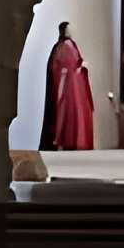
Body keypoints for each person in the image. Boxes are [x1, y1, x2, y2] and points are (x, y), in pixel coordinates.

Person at [39, 21, 96, 152]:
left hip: (73, 88)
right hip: (69, 90)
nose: (71, 32)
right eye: (69, 29)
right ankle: (69, 141)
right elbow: (68, 66)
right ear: (64, 31)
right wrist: (80, 68)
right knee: (68, 116)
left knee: (75, 115)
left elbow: (74, 64)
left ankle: (73, 141)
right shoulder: (65, 46)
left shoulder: (65, 46)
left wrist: (81, 68)